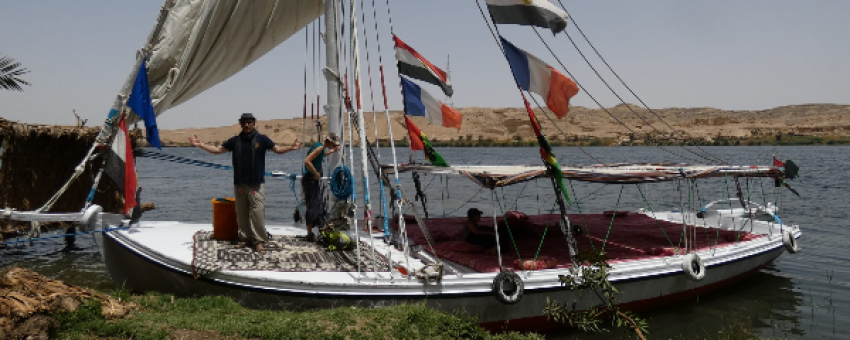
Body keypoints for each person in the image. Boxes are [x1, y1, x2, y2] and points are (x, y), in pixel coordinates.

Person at [189, 113, 303, 254]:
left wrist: (291, 148)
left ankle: (259, 240)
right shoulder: (235, 141)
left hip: (256, 185)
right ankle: (245, 238)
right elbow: (218, 150)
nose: (247, 125)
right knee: (242, 213)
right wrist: (200, 145)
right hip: (240, 184)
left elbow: (278, 149)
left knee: (257, 213)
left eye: (249, 122)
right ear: (240, 124)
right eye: (244, 122)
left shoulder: (262, 139)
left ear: (254, 123)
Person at [302, 133, 341, 242]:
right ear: (330, 142)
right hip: (310, 180)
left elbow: (320, 155)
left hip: (311, 180)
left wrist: (331, 152)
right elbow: (307, 161)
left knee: (318, 204)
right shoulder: (320, 147)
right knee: (313, 205)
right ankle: (310, 234)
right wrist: (316, 173)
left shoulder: (320, 147)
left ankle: (318, 231)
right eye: (333, 145)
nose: (333, 146)